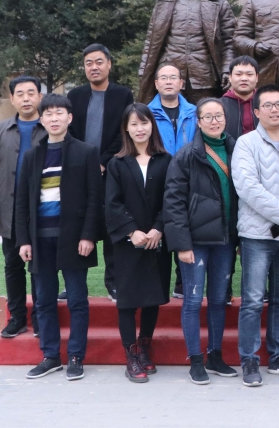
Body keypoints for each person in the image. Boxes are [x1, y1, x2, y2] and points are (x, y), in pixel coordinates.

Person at [15, 94, 102, 381]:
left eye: (59, 113)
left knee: (77, 299)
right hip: (40, 239)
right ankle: (50, 356)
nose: (54, 118)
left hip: (74, 239)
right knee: (44, 301)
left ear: (69, 117)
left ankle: (76, 355)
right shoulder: (32, 156)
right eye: (48, 114)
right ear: (41, 120)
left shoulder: (86, 152)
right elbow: (22, 202)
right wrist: (24, 240)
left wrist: (88, 235)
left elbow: (94, 198)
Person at [230, 85, 279, 386]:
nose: (274, 110)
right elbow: (247, 187)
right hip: (257, 235)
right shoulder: (246, 144)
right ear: (257, 112)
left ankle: (278, 355)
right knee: (252, 300)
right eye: (268, 105)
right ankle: (249, 359)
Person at [163, 98, 240, 385]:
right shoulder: (186, 155)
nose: (214, 121)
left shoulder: (236, 150)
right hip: (195, 241)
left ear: (225, 119)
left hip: (225, 239)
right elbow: (173, 203)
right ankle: (196, 359)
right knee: (194, 301)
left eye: (218, 116)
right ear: (198, 121)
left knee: (219, 300)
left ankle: (215, 355)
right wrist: (182, 244)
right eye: (208, 117)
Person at [105, 103, 172, 383]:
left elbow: (172, 199)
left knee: (152, 297)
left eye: (144, 122)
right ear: (126, 129)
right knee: (128, 301)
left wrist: (158, 229)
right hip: (127, 243)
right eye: (134, 124)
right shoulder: (117, 163)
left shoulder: (166, 160)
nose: (140, 128)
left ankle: (145, 347)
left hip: (157, 242)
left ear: (152, 126)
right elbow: (112, 203)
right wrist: (131, 231)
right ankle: (131, 355)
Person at [68, 43, 134, 301]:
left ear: (109, 64)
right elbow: (70, 133)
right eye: (88, 63)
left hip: (112, 171)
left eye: (98, 62)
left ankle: (114, 283)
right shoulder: (75, 96)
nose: (93, 67)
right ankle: (74, 284)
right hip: (79, 172)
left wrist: (103, 162)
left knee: (111, 227)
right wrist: (85, 162)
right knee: (77, 227)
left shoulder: (123, 95)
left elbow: (124, 132)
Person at [0, 75, 45, 339]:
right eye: (20, 94)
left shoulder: (50, 127)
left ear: (40, 96)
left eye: (31, 93)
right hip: (9, 209)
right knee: (13, 265)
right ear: (12, 99)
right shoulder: (2, 130)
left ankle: (41, 318)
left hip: (43, 210)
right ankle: (17, 317)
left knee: (41, 267)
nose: (26, 98)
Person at [138, 0, 236, 104]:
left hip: (205, 75)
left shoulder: (218, 2)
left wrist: (227, 69)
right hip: (170, 72)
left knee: (206, 114)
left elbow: (229, 41)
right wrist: (143, 68)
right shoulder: (164, 0)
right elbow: (152, 40)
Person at [147, 62, 196, 300]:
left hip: (189, 180)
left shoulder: (194, 113)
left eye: (173, 77)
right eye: (163, 78)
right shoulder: (146, 113)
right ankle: (156, 288)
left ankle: (182, 282)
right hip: (156, 179)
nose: (168, 81)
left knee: (186, 228)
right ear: (156, 83)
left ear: (181, 83)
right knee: (158, 230)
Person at [221, 55, 259, 139]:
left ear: (257, 78)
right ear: (230, 77)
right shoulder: (220, 105)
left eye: (249, 74)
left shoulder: (265, 102)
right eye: (238, 74)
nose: (244, 78)